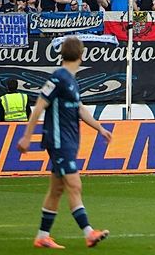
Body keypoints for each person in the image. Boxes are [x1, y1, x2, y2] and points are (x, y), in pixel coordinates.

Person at [18, 36, 111, 249]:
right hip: (58, 140)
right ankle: (89, 232)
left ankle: (42, 236)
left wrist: (100, 128)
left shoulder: (70, 79)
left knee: (56, 190)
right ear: (81, 54)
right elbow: (39, 106)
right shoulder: (58, 78)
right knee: (75, 185)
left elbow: (79, 109)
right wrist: (27, 136)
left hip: (68, 140)